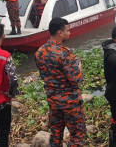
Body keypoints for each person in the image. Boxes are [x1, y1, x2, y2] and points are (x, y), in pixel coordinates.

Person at [35, 17, 85, 147]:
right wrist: (79, 69)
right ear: (60, 33)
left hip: (53, 100)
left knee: (56, 134)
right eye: (68, 30)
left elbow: (44, 75)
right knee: (77, 136)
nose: (69, 33)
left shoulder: (39, 52)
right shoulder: (65, 54)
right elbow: (76, 79)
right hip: (70, 102)